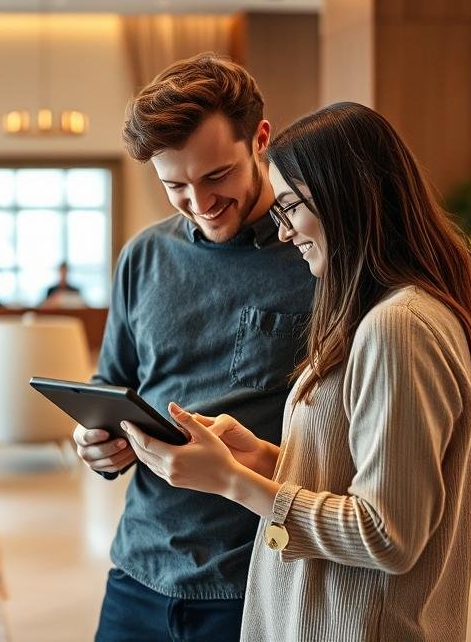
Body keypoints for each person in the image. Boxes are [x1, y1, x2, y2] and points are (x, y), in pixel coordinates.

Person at [120, 102, 471, 641]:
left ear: (349, 201)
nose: (284, 231)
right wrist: (263, 458)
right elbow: (354, 478)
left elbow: (387, 535)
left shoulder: (399, 324)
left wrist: (231, 481)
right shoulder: (384, 313)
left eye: (291, 208)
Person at [73, 54, 316, 642]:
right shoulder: (144, 256)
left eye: (216, 177)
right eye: (174, 185)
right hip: (139, 568)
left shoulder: (315, 260)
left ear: (260, 140)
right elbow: (115, 379)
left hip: (256, 576)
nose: (200, 203)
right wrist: (97, 437)